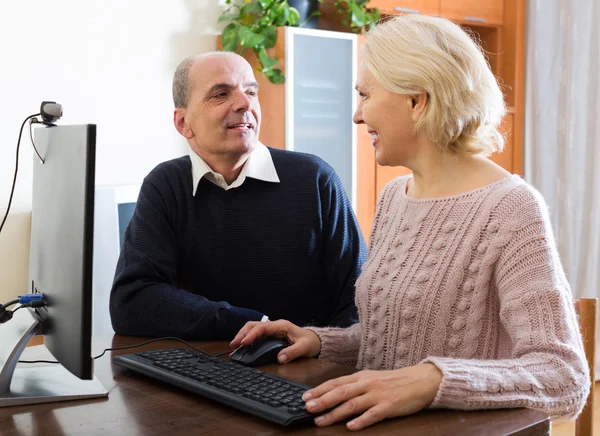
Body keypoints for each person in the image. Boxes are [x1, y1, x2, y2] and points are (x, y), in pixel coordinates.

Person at [231, 14, 591, 431]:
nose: (357, 115)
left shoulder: (510, 207)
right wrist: (319, 340)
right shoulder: (394, 198)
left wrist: (434, 380)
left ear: (417, 101)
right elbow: (397, 336)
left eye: (366, 95)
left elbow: (564, 375)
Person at [109, 51, 367, 340]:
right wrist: (250, 324)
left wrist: (317, 353)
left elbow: (361, 303)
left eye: (251, 92)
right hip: (202, 371)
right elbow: (132, 302)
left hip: (300, 371)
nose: (245, 104)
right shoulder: (165, 185)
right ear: (184, 123)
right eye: (221, 94)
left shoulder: (315, 180)